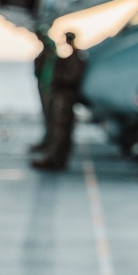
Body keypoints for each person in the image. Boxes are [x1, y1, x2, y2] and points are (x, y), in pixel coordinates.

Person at [32, 31, 87, 171]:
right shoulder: (72, 57)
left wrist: (57, 81)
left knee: (60, 129)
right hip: (62, 96)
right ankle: (56, 158)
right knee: (58, 127)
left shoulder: (75, 57)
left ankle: (55, 160)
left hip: (65, 97)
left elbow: (71, 78)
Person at [30, 26, 57, 152]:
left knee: (51, 118)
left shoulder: (49, 52)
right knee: (48, 117)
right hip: (45, 87)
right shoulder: (46, 54)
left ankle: (50, 143)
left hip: (48, 88)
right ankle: (48, 142)